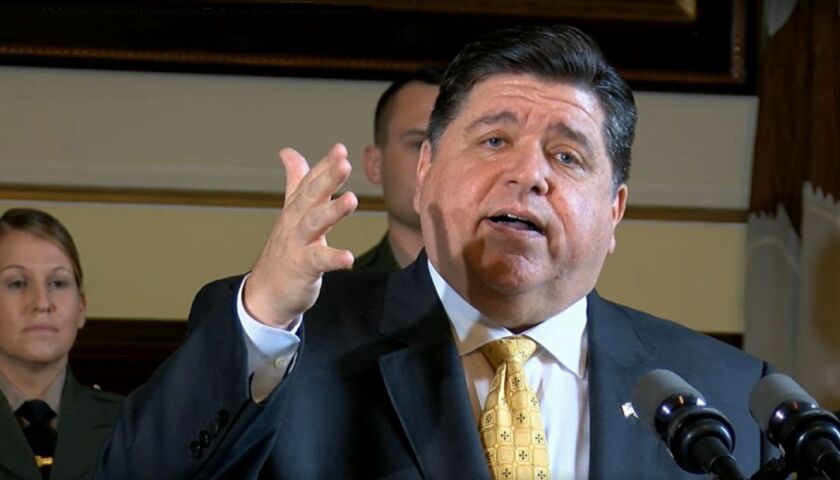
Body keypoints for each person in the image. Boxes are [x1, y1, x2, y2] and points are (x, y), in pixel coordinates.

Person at [96, 25, 773, 479]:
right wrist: (268, 311)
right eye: (494, 140)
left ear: (615, 211)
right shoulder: (288, 345)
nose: (529, 174)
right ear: (423, 174)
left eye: (567, 156)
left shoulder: (728, 395)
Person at [0, 208, 122, 480]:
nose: (42, 303)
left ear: (81, 307)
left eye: (58, 282)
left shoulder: (130, 426)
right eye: (18, 283)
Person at [355, 68, 443, 272]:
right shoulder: (330, 298)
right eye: (419, 144)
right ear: (375, 164)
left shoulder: (518, 292)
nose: (438, 162)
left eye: (452, 146)